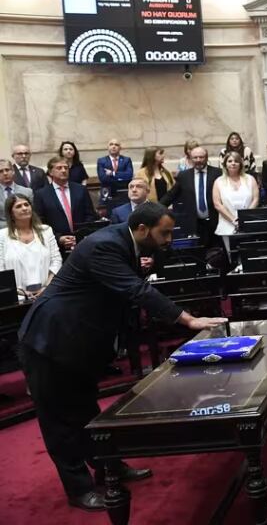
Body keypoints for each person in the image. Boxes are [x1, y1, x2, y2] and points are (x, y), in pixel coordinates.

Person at [18, 202, 226, 511]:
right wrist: (187, 319)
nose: (169, 239)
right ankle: (79, 490)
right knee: (60, 423)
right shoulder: (104, 245)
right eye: (164, 233)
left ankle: (110, 468)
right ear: (143, 229)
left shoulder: (124, 240)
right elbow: (136, 291)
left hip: (78, 343)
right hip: (49, 340)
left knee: (89, 412)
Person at [0, 194, 61, 299]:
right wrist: (19, 291)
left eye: (26, 204)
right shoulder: (2, 235)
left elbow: (56, 260)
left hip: (47, 294)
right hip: (18, 297)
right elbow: (1, 268)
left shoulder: (46, 230)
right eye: (18, 206)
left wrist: (47, 286)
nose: (24, 208)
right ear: (11, 213)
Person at [160, 147, 222, 244]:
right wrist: (156, 209)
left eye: (201, 157)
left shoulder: (218, 173)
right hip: (194, 224)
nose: (198, 160)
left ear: (206, 158)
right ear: (190, 159)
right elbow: (171, 195)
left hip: (216, 222)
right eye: (195, 157)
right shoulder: (184, 176)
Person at [33, 157, 97, 252]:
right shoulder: (41, 194)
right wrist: (58, 238)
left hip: (81, 243)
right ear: (50, 172)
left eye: (66, 168)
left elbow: (90, 215)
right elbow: (40, 222)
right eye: (59, 168)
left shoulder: (80, 190)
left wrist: (80, 235)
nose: (63, 170)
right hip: (55, 245)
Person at [213, 151, 259, 251]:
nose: (233, 163)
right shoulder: (219, 181)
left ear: (241, 164)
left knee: (249, 254)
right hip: (227, 224)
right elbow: (217, 204)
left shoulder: (250, 179)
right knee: (231, 256)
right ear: (225, 164)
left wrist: (244, 218)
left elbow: (255, 199)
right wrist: (234, 220)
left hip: (247, 224)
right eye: (230, 161)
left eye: (236, 161)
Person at [0, 159, 33, 229]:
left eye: (7, 170)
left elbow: (32, 215)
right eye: (1, 171)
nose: (5, 173)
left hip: (25, 230)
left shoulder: (27, 192)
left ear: (13, 171)